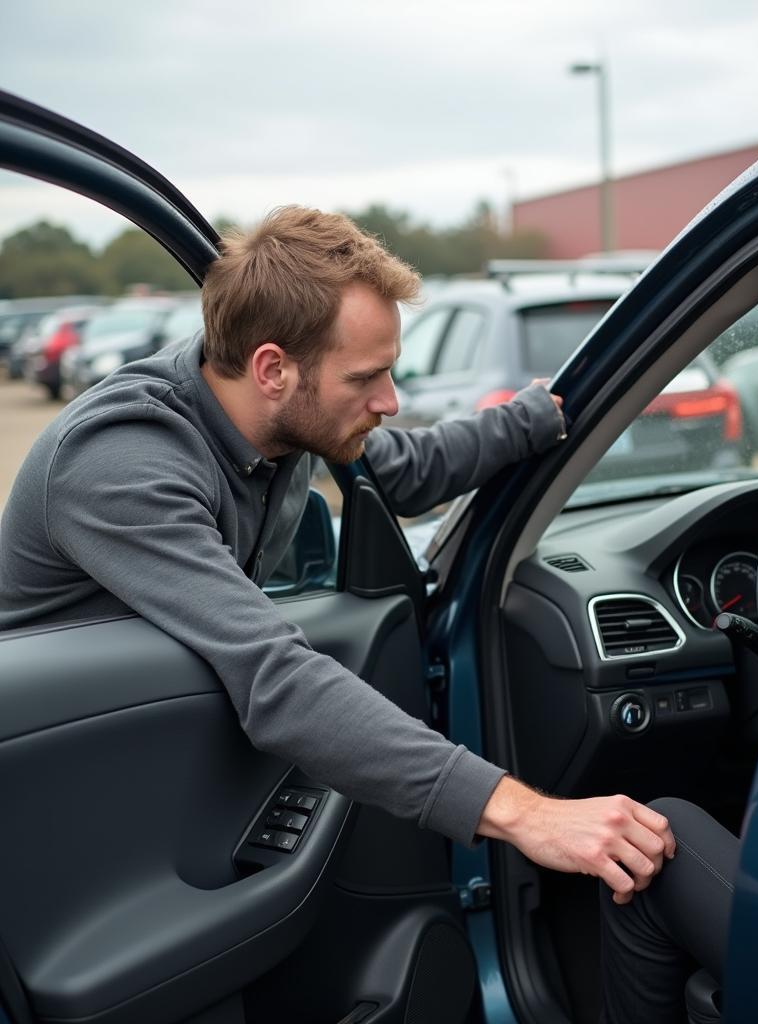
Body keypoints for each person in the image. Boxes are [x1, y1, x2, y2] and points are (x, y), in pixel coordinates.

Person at [0, 205, 675, 908]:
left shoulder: (281, 422)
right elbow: (275, 677)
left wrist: (532, 419)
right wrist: (527, 814)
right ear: (273, 369)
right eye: (365, 379)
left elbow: (407, 468)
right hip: (60, 791)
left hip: (157, 758)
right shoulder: (120, 465)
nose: (389, 400)